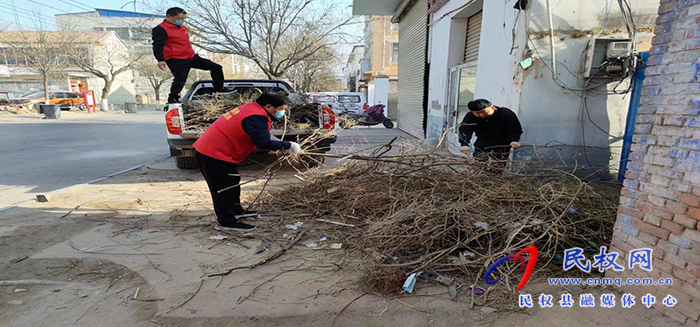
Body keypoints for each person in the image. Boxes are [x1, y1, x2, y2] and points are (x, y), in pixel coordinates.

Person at [193, 93, 302, 232]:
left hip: (222, 153)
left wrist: (280, 143)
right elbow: (262, 141)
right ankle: (226, 221)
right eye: (280, 109)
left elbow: (264, 134)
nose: (282, 113)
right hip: (212, 154)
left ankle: (236, 211)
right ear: (268, 106)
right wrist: (288, 145)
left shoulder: (253, 109)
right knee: (222, 188)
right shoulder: (255, 116)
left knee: (232, 182)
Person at [152, 7, 225, 104]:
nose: (181, 21)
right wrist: (160, 60)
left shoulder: (183, 28)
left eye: (183, 18)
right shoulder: (161, 29)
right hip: (176, 59)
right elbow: (157, 45)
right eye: (179, 18)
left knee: (216, 67)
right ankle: (172, 99)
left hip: (191, 57)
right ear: (169, 16)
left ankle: (218, 90)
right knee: (180, 80)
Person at [458, 99, 523, 170]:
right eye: (477, 113)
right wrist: (464, 143)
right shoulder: (470, 116)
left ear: (492, 108)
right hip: (482, 142)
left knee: (496, 166)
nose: (481, 115)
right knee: (479, 165)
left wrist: (513, 140)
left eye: (484, 112)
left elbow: (515, 129)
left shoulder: (506, 114)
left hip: (501, 144)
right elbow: (465, 130)